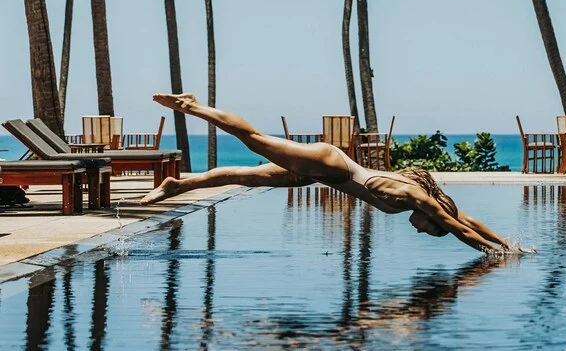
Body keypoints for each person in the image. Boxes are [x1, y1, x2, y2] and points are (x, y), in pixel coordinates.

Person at [142, 94, 525, 254]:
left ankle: (178, 184)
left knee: (245, 176)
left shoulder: (427, 201)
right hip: (330, 165)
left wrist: (508, 244)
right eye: (428, 228)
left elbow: (466, 219)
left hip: (325, 174)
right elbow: (459, 229)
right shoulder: (417, 198)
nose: (420, 230)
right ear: (429, 215)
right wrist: (493, 255)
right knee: (254, 140)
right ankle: (191, 106)